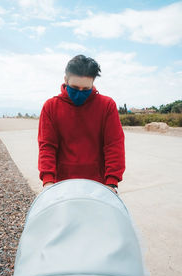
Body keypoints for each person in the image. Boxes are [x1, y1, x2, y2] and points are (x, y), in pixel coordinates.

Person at [38, 54, 125, 194]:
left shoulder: (106, 105)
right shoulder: (51, 106)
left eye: (85, 89)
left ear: (93, 83)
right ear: (66, 80)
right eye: (74, 87)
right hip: (62, 184)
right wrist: (48, 182)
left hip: (99, 185)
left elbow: (114, 145)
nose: (80, 93)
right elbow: (47, 146)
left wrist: (112, 182)